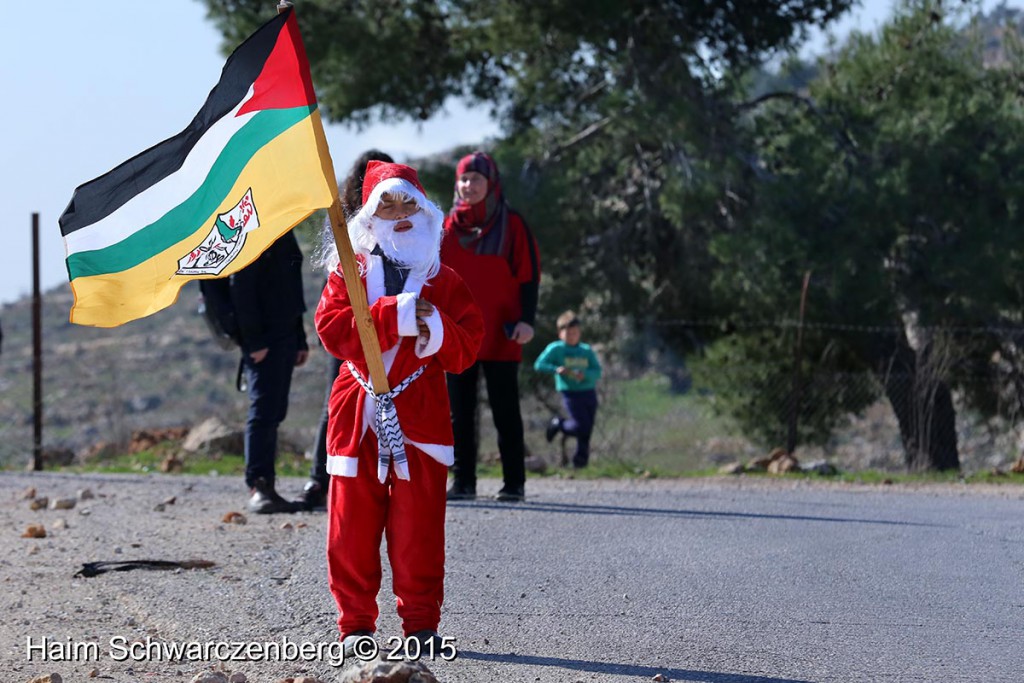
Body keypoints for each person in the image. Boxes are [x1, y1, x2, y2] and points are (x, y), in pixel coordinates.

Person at [315, 161, 483, 653]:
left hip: (420, 412)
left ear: (426, 210)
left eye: (408, 201)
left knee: (419, 528)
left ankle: (422, 626)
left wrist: (436, 329)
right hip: (358, 412)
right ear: (369, 216)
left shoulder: (443, 279)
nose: (400, 212)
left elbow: (468, 346)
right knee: (351, 527)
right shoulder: (346, 273)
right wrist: (397, 313)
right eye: (386, 203)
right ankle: (356, 627)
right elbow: (333, 331)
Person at [441, 151, 540, 502]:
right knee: (460, 412)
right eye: (464, 179)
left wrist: (527, 321)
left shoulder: (512, 224)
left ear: (491, 183)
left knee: (505, 410)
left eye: (477, 179)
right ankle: (463, 481)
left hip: (503, 329)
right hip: (458, 333)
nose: (469, 186)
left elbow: (529, 276)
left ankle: (514, 483)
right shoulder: (446, 228)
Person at [301, 149, 394, 511]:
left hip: (388, 325)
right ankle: (319, 478)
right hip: (349, 324)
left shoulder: (399, 212)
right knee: (336, 401)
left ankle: (382, 474)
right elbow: (330, 266)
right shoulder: (340, 218)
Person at [230, 229, 310, 514]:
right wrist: (254, 340)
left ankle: (269, 486)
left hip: (284, 335)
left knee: (274, 411)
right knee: (263, 412)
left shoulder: (282, 229)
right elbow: (240, 286)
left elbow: (291, 286)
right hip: (264, 340)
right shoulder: (254, 229)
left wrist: (299, 337)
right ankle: (259, 486)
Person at [533, 310, 602, 468]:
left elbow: (597, 371)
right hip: (571, 393)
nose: (572, 336)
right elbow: (539, 364)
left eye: (575, 333)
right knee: (581, 426)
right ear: (560, 333)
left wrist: (584, 375)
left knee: (587, 428)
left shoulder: (586, 350)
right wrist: (556, 369)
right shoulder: (556, 349)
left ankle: (581, 462)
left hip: (588, 392)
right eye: (569, 333)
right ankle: (560, 424)